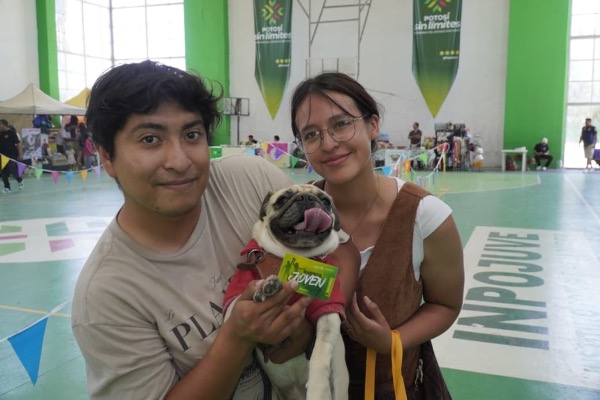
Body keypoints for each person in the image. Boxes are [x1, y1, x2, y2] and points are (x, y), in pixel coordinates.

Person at [71, 60, 323, 399]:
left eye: (192, 135)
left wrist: (304, 328)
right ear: (107, 156)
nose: (179, 161)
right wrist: (237, 337)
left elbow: (326, 256)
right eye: (150, 139)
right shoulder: (106, 294)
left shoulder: (252, 182)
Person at [290, 72, 464, 398]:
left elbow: (445, 304)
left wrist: (393, 340)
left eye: (342, 124)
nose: (328, 143)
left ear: (372, 125)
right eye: (311, 135)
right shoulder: (293, 214)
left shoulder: (426, 217)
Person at [0, 119, 24, 193]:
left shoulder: (12, 133)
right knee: (3, 172)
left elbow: (18, 144)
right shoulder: (0, 133)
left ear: (4, 124)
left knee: (12, 169)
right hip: (2, 156)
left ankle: (20, 180)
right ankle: (7, 187)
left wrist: (20, 154)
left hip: (12, 155)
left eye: (0, 124)